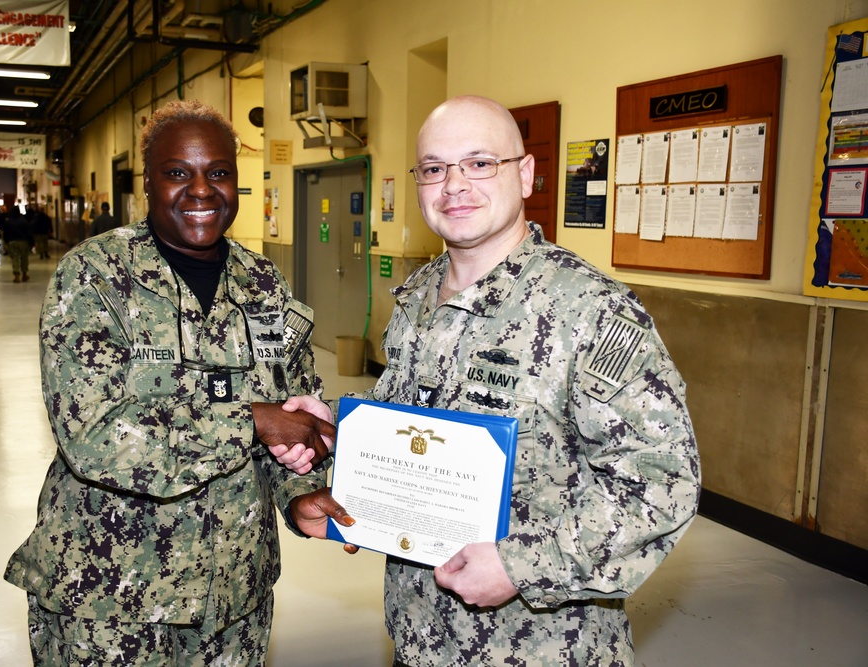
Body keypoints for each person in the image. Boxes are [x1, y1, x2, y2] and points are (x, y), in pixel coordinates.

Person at [288, 95, 701, 666]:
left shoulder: (589, 311)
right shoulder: (417, 297)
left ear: (526, 175)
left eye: (480, 162)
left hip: (540, 649)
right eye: (434, 168)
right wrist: (339, 428)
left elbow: (661, 483)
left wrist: (521, 566)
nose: (454, 184)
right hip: (420, 637)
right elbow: (418, 421)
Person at [3, 99, 338, 666]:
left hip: (235, 598)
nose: (201, 189)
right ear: (148, 181)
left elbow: (292, 414)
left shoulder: (263, 283)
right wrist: (250, 420)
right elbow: (93, 435)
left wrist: (300, 493)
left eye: (219, 172)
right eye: (178, 172)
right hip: (111, 599)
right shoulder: (95, 276)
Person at [1, 196, 34, 282]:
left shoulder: (8, 222)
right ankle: (24, 274)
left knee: (15, 258)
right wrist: (32, 242)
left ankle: (17, 275)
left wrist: (6, 242)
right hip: (23, 242)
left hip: (12, 242)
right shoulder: (24, 221)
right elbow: (29, 233)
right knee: (24, 258)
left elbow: (5, 233)